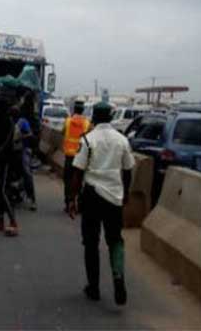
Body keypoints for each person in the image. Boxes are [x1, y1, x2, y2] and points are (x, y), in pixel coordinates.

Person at [68, 102, 134, 305]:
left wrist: (72, 199)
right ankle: (118, 278)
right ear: (112, 117)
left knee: (91, 242)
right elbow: (128, 169)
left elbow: (78, 172)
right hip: (114, 196)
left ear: (94, 118)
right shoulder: (122, 140)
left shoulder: (88, 139)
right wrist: (125, 194)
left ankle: (94, 287)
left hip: (92, 195)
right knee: (115, 240)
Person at [0, 95, 19, 236]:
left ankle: (13, 222)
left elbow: (7, 142)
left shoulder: (9, 122)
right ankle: (0, 221)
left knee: (2, 191)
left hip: (5, 160)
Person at [62, 101, 91, 212]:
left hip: (69, 156)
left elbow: (62, 132)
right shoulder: (87, 123)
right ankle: (78, 203)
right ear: (83, 110)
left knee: (68, 180)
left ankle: (68, 202)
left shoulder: (68, 121)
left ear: (74, 109)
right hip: (81, 156)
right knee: (79, 180)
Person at [12, 107, 38, 211]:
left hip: (23, 149)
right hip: (10, 150)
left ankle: (32, 199)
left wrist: (22, 137)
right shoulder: (8, 121)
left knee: (27, 172)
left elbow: (30, 134)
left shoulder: (23, 122)